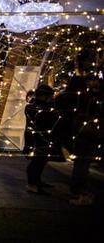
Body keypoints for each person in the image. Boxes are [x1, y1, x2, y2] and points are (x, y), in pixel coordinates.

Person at [55, 53, 102, 205]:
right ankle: (78, 192)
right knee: (82, 163)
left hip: (67, 134)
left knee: (79, 162)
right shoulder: (85, 98)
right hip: (83, 134)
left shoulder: (62, 97)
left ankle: (79, 191)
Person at [23, 84, 63, 195]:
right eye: (49, 95)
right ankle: (32, 184)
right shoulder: (34, 107)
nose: (51, 97)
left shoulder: (40, 105)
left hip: (42, 137)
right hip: (38, 138)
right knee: (37, 161)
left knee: (41, 160)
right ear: (44, 96)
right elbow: (45, 119)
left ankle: (37, 181)